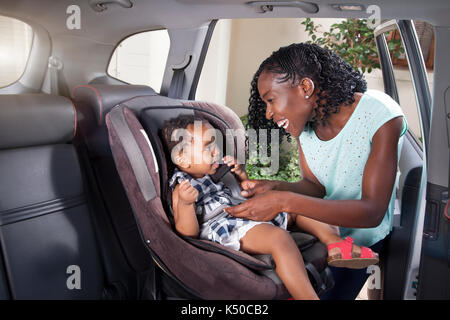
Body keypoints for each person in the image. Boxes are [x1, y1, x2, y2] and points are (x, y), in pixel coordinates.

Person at [224, 42, 407, 300]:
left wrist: (283, 200)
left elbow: (372, 212)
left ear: (305, 88)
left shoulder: (380, 114)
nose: (268, 113)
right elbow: (316, 186)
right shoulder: (308, 124)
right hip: (323, 231)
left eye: (271, 100)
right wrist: (276, 186)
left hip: (362, 239)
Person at [162, 114, 379, 300]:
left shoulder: (213, 174)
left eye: (215, 145)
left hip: (240, 214)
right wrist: (186, 203)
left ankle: (335, 245)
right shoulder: (181, 188)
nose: (215, 152)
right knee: (278, 239)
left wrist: (241, 178)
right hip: (224, 228)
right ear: (182, 158)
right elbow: (186, 234)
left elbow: (239, 194)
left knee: (297, 205)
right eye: (207, 147)